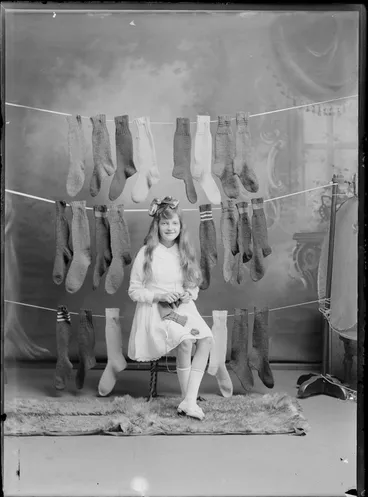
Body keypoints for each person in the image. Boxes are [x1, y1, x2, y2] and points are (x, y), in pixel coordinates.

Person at [128, 196, 213, 420]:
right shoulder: (146, 253)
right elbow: (134, 290)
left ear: (180, 226)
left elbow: (192, 286)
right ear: (157, 225)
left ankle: (188, 400)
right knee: (185, 341)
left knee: (205, 338)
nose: (170, 228)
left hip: (182, 309)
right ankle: (190, 401)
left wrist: (188, 292)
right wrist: (160, 295)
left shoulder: (183, 251)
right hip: (158, 311)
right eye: (165, 223)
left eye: (174, 223)